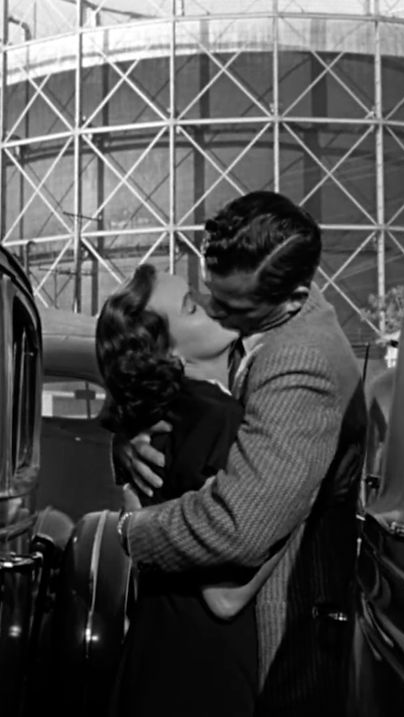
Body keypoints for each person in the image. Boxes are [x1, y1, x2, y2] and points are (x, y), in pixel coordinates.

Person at [115, 191, 368, 716]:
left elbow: (238, 527)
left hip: (276, 649)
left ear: (294, 299)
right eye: (209, 295)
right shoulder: (267, 318)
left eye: (231, 307)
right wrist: (130, 436)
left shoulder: (298, 362)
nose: (215, 310)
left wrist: (126, 531)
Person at [98, 263, 284, 717]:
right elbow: (225, 596)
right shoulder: (221, 421)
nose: (207, 302)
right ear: (171, 354)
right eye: (190, 306)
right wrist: (299, 499)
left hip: (150, 661)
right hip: (204, 674)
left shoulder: (157, 423)